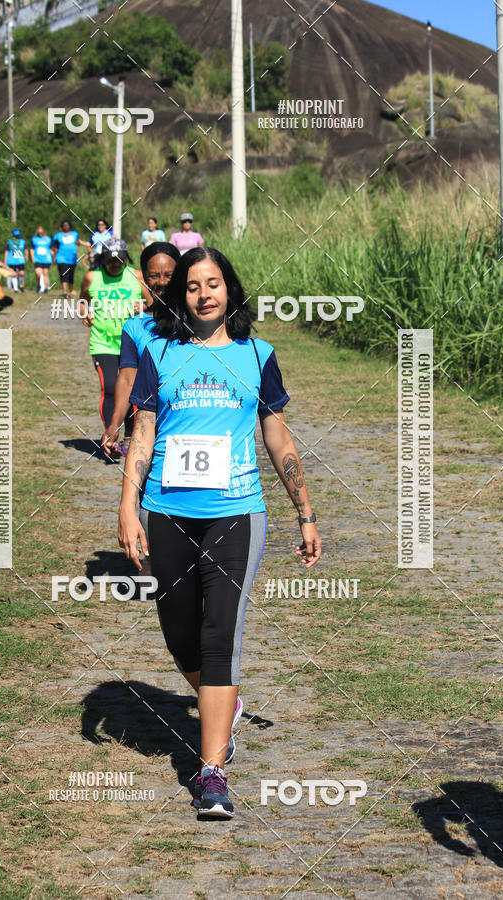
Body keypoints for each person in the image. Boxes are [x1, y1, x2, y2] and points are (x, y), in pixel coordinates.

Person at [117, 246, 321, 819]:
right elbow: (144, 433)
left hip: (236, 512)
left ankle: (211, 773)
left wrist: (305, 512)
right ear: (180, 296)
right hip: (166, 509)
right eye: (192, 286)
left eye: (213, 283)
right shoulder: (159, 351)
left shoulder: (258, 355)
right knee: (180, 633)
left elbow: (278, 440)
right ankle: (224, 703)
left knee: (218, 633)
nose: (204, 294)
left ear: (229, 290)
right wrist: (128, 507)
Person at [102, 242, 180, 457]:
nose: (162, 282)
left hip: (188, 421)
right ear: (144, 278)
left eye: (169, 275)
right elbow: (128, 377)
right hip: (148, 428)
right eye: (154, 275)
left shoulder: (196, 320)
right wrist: (114, 425)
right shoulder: (134, 326)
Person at [78, 238, 151, 454]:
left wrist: (143, 306)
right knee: (110, 388)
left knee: (133, 391)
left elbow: (155, 304)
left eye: (120, 260)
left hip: (133, 343)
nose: (116, 264)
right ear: (103, 260)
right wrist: (85, 313)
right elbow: (82, 301)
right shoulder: (93, 277)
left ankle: (130, 437)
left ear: (126, 259)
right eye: (111, 261)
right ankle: (111, 435)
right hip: (103, 342)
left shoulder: (136, 276)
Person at [52, 220, 89, 298]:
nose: (66, 226)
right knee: (64, 274)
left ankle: (71, 291)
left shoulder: (74, 234)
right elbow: (55, 247)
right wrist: (54, 257)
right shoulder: (58, 236)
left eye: (67, 225)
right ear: (62, 227)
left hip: (72, 259)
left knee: (71, 275)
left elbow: (78, 242)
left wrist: (88, 244)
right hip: (61, 258)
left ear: (70, 226)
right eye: (64, 225)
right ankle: (65, 292)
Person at [3, 228, 28, 293]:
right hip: (12, 260)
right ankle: (15, 288)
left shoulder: (22, 241)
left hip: (20, 260)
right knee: (13, 274)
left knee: (21, 273)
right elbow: (6, 251)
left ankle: (21, 286)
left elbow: (25, 249)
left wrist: (26, 256)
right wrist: (5, 261)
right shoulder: (10, 242)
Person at [30, 226, 53, 293]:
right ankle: (38, 285)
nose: (40, 233)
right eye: (39, 232)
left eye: (41, 232)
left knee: (45, 273)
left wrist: (53, 255)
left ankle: (45, 288)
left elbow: (51, 248)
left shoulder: (48, 239)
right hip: (37, 258)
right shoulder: (34, 239)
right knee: (38, 273)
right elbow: (32, 249)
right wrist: (32, 257)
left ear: (43, 231)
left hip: (47, 259)